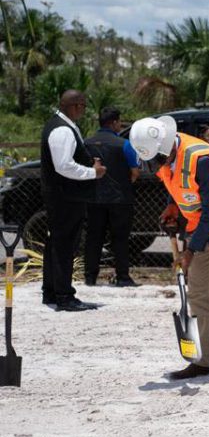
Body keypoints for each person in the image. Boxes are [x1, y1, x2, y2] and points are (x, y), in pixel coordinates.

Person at [130, 115, 209, 387]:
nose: (155, 166)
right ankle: (203, 361)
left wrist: (189, 252)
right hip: (204, 225)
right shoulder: (163, 158)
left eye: (156, 160)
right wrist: (173, 208)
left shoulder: (201, 158)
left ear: (166, 147)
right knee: (198, 292)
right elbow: (177, 189)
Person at [40, 90, 105, 311]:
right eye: (83, 106)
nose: (84, 110)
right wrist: (92, 172)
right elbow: (64, 165)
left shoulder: (61, 125)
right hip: (66, 197)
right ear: (76, 106)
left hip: (62, 197)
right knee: (64, 246)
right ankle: (64, 296)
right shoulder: (62, 129)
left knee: (56, 245)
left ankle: (51, 292)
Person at [83, 106, 140, 288]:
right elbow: (135, 172)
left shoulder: (86, 143)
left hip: (93, 198)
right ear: (114, 122)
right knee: (120, 238)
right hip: (120, 199)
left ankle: (90, 277)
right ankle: (122, 276)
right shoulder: (124, 144)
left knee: (93, 238)